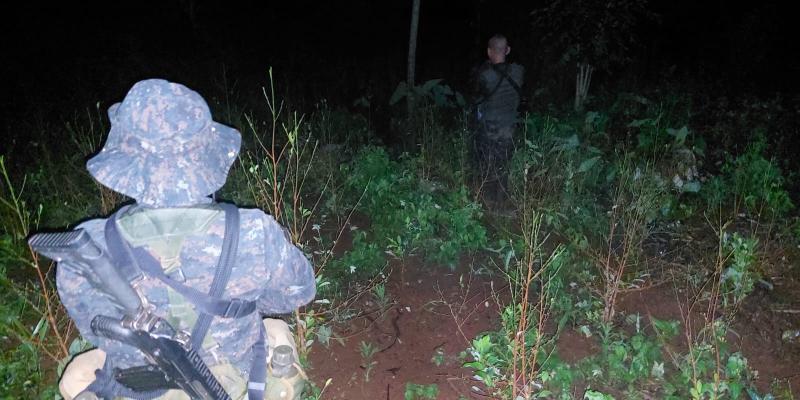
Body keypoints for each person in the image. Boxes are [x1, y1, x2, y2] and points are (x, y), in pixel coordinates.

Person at [54, 79, 316, 400]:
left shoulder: (87, 245)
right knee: (276, 329)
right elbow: (298, 292)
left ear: (126, 160)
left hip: (140, 388)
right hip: (232, 380)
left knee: (75, 377)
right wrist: (239, 300)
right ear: (205, 155)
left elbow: (93, 327)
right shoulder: (253, 229)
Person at [472, 34, 525, 205]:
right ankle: (501, 201)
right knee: (504, 165)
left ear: (489, 52)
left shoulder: (485, 75)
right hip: (509, 129)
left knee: (487, 165)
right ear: (507, 50)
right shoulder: (518, 72)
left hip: (489, 130)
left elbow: (477, 94)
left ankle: (487, 203)